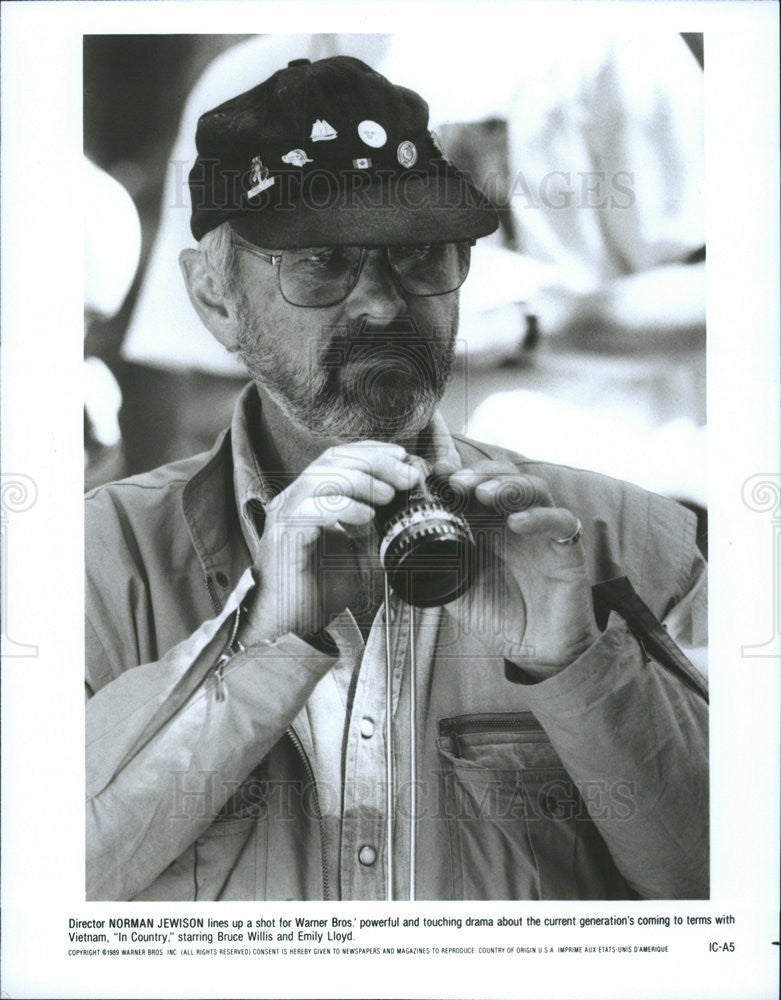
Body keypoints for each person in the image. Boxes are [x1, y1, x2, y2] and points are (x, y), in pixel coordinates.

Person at [85, 56, 708, 902]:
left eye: (418, 256)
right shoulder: (90, 562)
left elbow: (731, 903)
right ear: (214, 297)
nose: (380, 304)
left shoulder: (636, 545)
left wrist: (577, 668)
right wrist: (260, 648)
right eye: (320, 262)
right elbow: (40, 893)